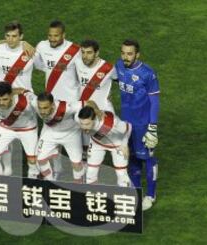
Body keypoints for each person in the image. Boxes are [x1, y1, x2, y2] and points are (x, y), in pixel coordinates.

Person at [115, 39, 160, 211]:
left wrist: (153, 127)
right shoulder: (119, 66)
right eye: (123, 53)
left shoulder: (147, 73)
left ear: (137, 54)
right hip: (126, 124)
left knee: (147, 158)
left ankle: (151, 195)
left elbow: (154, 101)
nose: (126, 57)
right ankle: (137, 193)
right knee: (132, 158)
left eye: (130, 53)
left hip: (143, 124)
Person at [34, 20, 82, 178]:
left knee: (73, 136)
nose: (52, 39)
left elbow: (83, 75)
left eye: (56, 36)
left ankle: (82, 173)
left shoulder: (75, 51)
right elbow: (39, 65)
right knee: (52, 133)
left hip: (70, 103)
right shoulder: (42, 46)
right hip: (51, 103)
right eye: (50, 35)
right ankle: (57, 170)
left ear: (64, 35)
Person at [75, 39, 117, 163]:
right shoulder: (77, 64)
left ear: (97, 53)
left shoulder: (108, 68)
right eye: (83, 52)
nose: (85, 56)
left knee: (107, 140)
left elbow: (119, 80)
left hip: (103, 111)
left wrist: (110, 93)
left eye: (89, 53)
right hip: (84, 110)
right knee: (85, 146)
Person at [0, 82, 39, 178]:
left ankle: (33, 181)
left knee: (33, 160)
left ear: (11, 95)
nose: (1, 103)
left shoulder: (26, 104)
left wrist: (26, 91)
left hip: (27, 129)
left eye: (5, 99)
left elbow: (38, 102)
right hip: (5, 128)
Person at [32, 92, 84, 183]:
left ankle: (79, 185)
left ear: (52, 105)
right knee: (40, 159)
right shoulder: (34, 102)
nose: (42, 111)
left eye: (45, 108)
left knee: (77, 163)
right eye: (40, 108)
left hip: (71, 133)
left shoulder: (67, 108)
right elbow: (24, 92)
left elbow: (87, 103)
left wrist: (98, 112)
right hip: (51, 131)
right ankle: (50, 182)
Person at [76, 102, 132, 187]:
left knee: (121, 173)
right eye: (82, 124)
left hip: (117, 144)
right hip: (97, 142)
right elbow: (89, 102)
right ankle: (92, 194)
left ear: (94, 119)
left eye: (87, 124)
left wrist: (124, 144)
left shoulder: (110, 123)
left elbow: (128, 127)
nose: (84, 127)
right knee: (90, 171)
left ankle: (124, 195)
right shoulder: (80, 117)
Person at [0, 21, 34, 91]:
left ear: (21, 36)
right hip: (2, 94)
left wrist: (24, 43)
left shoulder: (29, 52)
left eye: (14, 36)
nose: (10, 40)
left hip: (22, 94)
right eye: (8, 35)